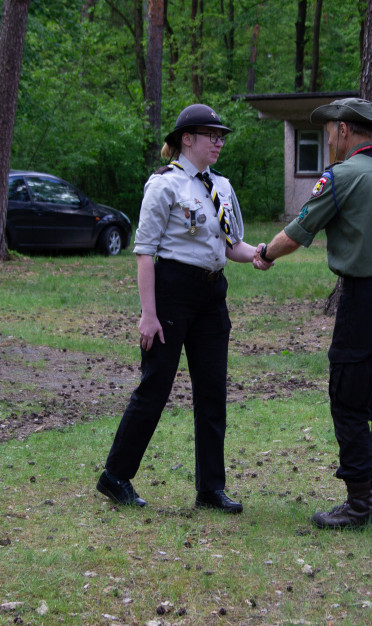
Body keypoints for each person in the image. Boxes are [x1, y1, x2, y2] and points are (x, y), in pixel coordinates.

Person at [259, 97, 372, 531]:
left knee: (349, 399)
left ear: (344, 130)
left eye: (328, 131)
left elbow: (299, 233)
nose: (327, 139)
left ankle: (358, 504)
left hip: (362, 302)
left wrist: (265, 253)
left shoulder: (340, 177)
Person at [96, 104, 271, 513]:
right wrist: (148, 313)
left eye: (221, 135)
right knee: (155, 387)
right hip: (172, 291)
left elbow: (233, 246)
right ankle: (115, 476)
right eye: (212, 134)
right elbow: (144, 253)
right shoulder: (165, 186)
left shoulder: (221, 187)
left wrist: (259, 254)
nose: (220, 141)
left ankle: (210, 488)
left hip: (212, 295)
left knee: (212, 393)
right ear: (187, 138)